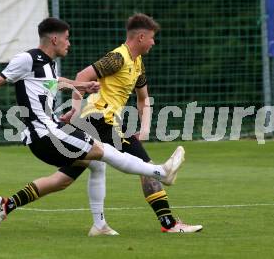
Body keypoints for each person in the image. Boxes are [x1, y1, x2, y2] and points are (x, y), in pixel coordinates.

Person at [0, 17, 185, 233]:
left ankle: (10, 205)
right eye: (66, 38)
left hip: (50, 130)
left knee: (86, 169)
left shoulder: (49, 66)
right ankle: (160, 172)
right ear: (54, 39)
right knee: (102, 151)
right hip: (46, 133)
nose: (69, 43)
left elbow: (57, 83)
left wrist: (82, 88)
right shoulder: (28, 59)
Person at [62, 13, 202, 234]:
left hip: (104, 121)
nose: (154, 42)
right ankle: (169, 221)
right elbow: (82, 75)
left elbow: (144, 98)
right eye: (152, 38)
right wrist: (74, 110)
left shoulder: (137, 63)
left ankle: (8, 203)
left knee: (63, 178)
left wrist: (144, 129)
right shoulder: (117, 58)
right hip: (99, 120)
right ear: (140, 37)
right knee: (145, 165)